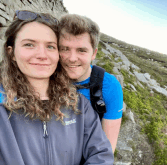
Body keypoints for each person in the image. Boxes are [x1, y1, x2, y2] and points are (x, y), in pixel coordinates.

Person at [0, 10, 113, 165]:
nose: (42, 54)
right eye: (29, 44)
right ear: (11, 52)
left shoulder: (78, 105)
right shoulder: (2, 106)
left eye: (50, 46)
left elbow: (101, 155)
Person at [59, 14, 123, 152]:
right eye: (65, 49)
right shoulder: (45, 76)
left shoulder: (109, 86)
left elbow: (107, 149)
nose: (72, 58)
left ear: (93, 54)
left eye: (81, 50)